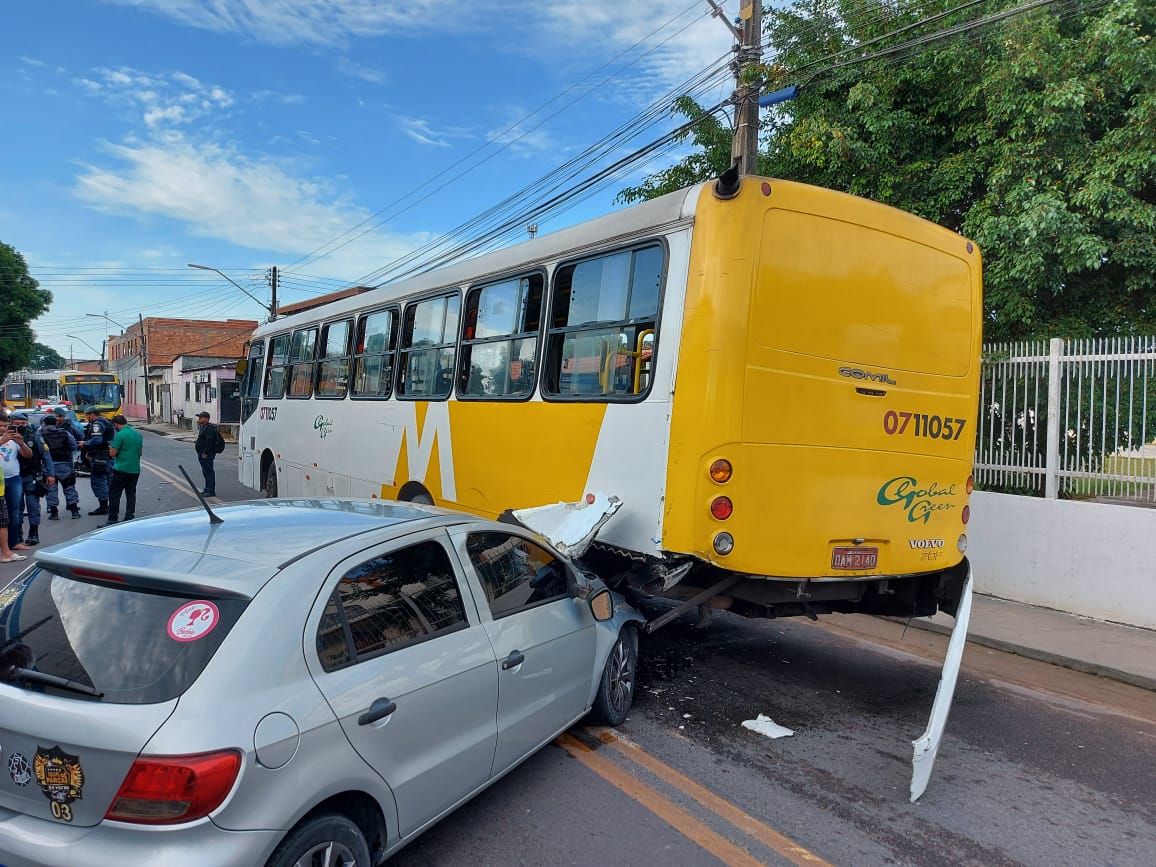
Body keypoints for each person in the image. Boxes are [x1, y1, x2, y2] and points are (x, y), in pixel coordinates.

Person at [9, 412, 53, 547]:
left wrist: (51, 474)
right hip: (14, 477)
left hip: (31, 476)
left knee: (33, 505)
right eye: (17, 424)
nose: (20, 426)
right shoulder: (6, 437)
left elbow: (46, 456)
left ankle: (34, 532)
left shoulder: (36, 436)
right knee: (16, 508)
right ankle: (17, 533)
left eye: (23, 423)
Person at [40, 414, 81, 520]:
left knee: (51, 489)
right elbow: (73, 446)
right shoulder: (65, 433)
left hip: (49, 467)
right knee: (69, 488)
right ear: (55, 423)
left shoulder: (41, 434)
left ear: (44, 423)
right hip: (64, 465)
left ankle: (54, 513)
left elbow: (38, 450)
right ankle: (74, 511)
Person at [0, 421, 33, 554]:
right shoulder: (4, 439)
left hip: (13, 479)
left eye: (5, 426)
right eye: (0, 425)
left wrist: (20, 443)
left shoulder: (14, 439)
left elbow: (29, 455)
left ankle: (13, 542)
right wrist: (2, 441)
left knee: (14, 513)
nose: (2, 428)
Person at [105, 415, 143, 525]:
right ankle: (129, 516)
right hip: (135, 469)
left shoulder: (120, 435)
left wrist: (110, 448)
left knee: (114, 494)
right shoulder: (137, 434)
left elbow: (113, 454)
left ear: (116, 424)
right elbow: (140, 453)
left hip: (121, 468)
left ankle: (112, 518)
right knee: (131, 493)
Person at [79, 406, 114, 515]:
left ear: (92, 414)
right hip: (107, 456)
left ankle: (103, 507)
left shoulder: (97, 424)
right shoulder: (107, 422)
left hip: (99, 457)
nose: (87, 418)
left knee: (99, 482)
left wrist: (84, 444)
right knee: (108, 481)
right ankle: (110, 505)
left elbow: (97, 440)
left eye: (87, 415)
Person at [194, 411, 223, 497]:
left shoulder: (209, 428)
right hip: (202, 453)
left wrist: (205, 452)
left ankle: (210, 490)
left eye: (201, 417)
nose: (199, 419)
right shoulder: (204, 427)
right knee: (206, 472)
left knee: (208, 471)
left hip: (206, 454)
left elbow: (209, 441)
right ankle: (207, 489)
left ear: (206, 418)